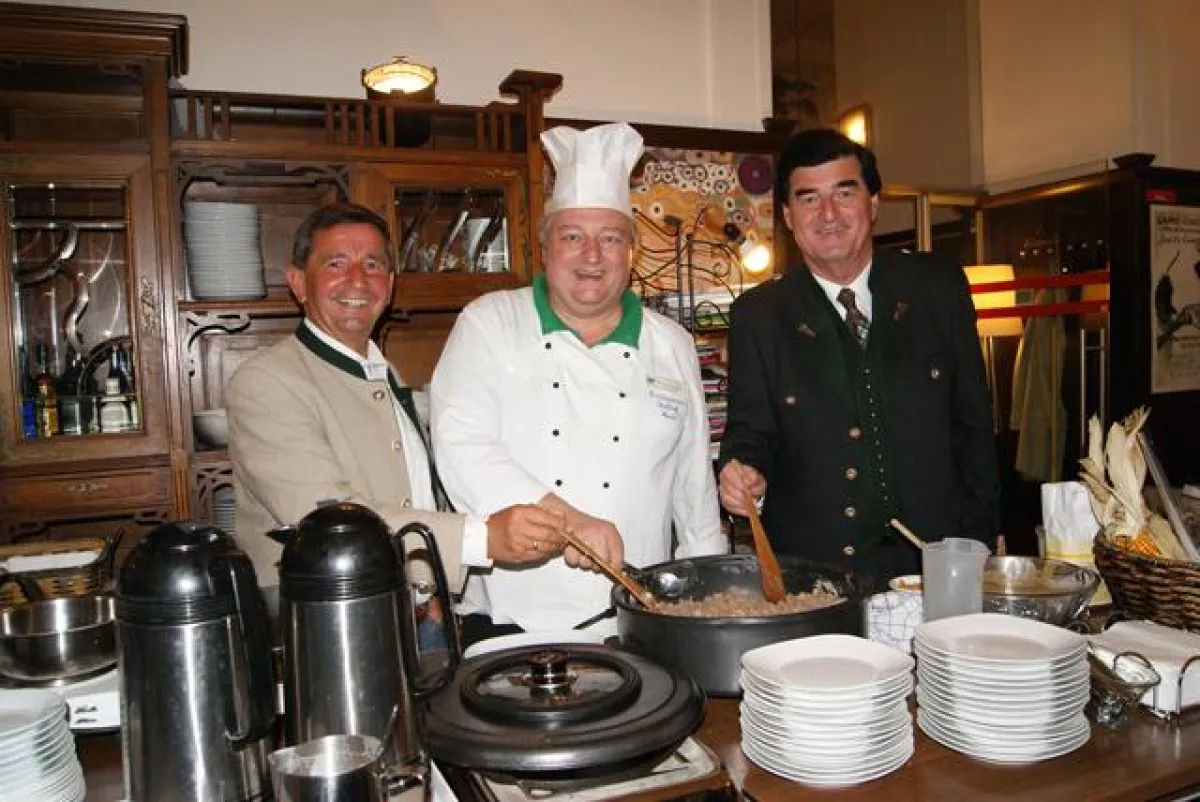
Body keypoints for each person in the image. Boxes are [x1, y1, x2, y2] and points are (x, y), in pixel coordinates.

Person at [430, 122, 727, 644]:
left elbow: (694, 485)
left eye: (610, 238)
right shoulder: (490, 322)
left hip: (639, 615)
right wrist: (570, 524)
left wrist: (710, 602)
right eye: (573, 236)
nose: (592, 256)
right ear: (543, 246)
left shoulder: (673, 344)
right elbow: (462, 444)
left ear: (631, 252)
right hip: (510, 618)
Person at [226, 203, 570, 641]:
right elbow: (327, 519)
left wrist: (436, 595)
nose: (357, 279)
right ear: (298, 282)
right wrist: (481, 538)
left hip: (412, 615)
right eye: (336, 263)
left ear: (389, 285)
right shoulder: (267, 381)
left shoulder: (379, 372)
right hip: (325, 628)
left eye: (372, 265)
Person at [717, 128, 999, 586]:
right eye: (808, 199)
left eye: (844, 192)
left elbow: (974, 429)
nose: (827, 214)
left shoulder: (937, 288)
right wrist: (744, 474)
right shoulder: (760, 315)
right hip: (817, 576)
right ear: (788, 216)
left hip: (935, 566)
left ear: (872, 203)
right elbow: (750, 432)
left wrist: (978, 546)